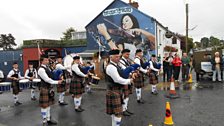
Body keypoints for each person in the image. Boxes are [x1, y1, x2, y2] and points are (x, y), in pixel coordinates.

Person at [106, 49, 133, 126]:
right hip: (113, 91)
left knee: (116, 113)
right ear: (111, 57)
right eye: (116, 57)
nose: (118, 58)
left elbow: (123, 72)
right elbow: (117, 79)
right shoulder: (111, 67)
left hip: (117, 90)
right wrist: (129, 81)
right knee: (118, 113)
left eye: (119, 56)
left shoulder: (117, 65)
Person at [38, 54, 63, 125]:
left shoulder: (47, 67)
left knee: (48, 105)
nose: (47, 61)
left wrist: (59, 76)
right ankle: (44, 120)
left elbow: (52, 75)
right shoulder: (41, 69)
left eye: (47, 60)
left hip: (49, 88)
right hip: (44, 88)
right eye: (45, 60)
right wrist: (57, 82)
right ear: (41, 61)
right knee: (44, 106)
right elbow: (47, 79)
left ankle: (48, 119)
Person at [119, 49, 134, 116]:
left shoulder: (127, 60)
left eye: (128, 54)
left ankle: (125, 108)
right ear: (122, 54)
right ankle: (123, 110)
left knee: (127, 95)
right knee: (124, 95)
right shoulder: (120, 61)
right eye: (127, 54)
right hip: (124, 79)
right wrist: (131, 72)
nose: (128, 55)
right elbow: (125, 69)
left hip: (128, 79)